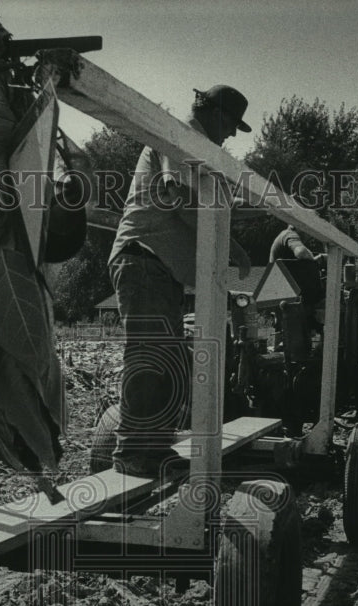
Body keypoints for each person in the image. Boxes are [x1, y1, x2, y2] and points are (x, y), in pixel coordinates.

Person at [108, 84, 253, 478]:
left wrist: (233, 223)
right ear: (218, 116)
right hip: (143, 259)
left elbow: (195, 204)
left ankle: (150, 451)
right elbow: (180, 200)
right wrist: (235, 243)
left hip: (157, 267)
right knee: (150, 356)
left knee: (167, 359)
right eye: (229, 128)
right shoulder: (179, 138)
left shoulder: (191, 144)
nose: (227, 137)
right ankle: (133, 455)